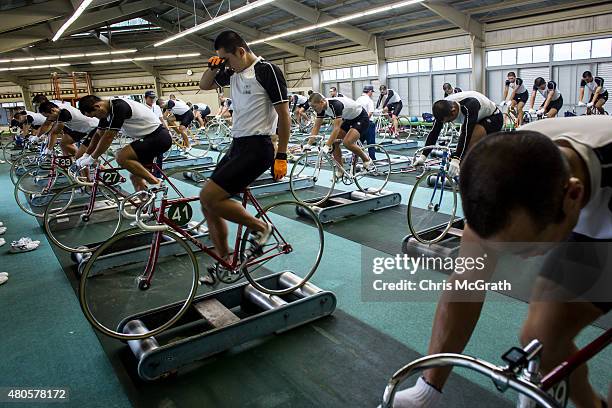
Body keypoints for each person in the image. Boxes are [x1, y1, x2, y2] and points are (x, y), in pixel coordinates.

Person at [391, 116, 611, 408]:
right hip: (582, 205)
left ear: (573, 196)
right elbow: (466, 284)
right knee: (541, 339)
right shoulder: (502, 168)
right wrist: (428, 388)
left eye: (528, 247)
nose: (520, 260)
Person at [198, 30, 290, 272]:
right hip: (237, 145)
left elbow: (284, 115)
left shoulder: (266, 70)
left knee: (210, 196)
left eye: (226, 59)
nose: (225, 65)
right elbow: (204, 84)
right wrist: (214, 66)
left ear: (240, 52)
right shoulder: (232, 72)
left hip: (258, 148)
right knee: (206, 204)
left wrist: (282, 154)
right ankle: (225, 260)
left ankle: (261, 227)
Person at [77, 95, 172, 191]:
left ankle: (156, 182)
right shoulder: (105, 112)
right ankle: (145, 203)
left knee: (121, 156)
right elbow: (98, 134)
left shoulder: (118, 107)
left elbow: (108, 137)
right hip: (149, 138)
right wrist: (86, 155)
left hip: (159, 137)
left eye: (94, 115)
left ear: (97, 107)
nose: (96, 118)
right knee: (135, 178)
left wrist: (93, 158)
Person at [413, 91, 503, 178]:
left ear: (453, 111)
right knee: (461, 151)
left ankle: (472, 173)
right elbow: (434, 132)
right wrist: (423, 156)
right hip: (478, 118)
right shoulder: (443, 108)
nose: (449, 122)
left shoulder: (470, 105)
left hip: (494, 117)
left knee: (471, 140)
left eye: (449, 121)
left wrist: (456, 159)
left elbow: (466, 133)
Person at [307, 92, 373, 178]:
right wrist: (308, 144)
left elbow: (336, 128)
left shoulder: (335, 105)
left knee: (347, 142)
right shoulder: (321, 109)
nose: (314, 109)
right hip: (349, 118)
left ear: (322, 102)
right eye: (312, 107)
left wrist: (327, 146)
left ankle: (367, 160)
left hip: (361, 118)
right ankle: (340, 170)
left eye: (314, 106)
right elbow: (316, 126)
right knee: (334, 143)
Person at [355, 85, 376, 159]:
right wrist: (365, 121)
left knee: (358, 143)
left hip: (358, 124)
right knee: (371, 144)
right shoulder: (369, 100)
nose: (372, 94)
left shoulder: (358, 100)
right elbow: (370, 113)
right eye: (372, 92)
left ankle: (354, 160)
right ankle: (372, 159)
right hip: (368, 124)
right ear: (370, 91)